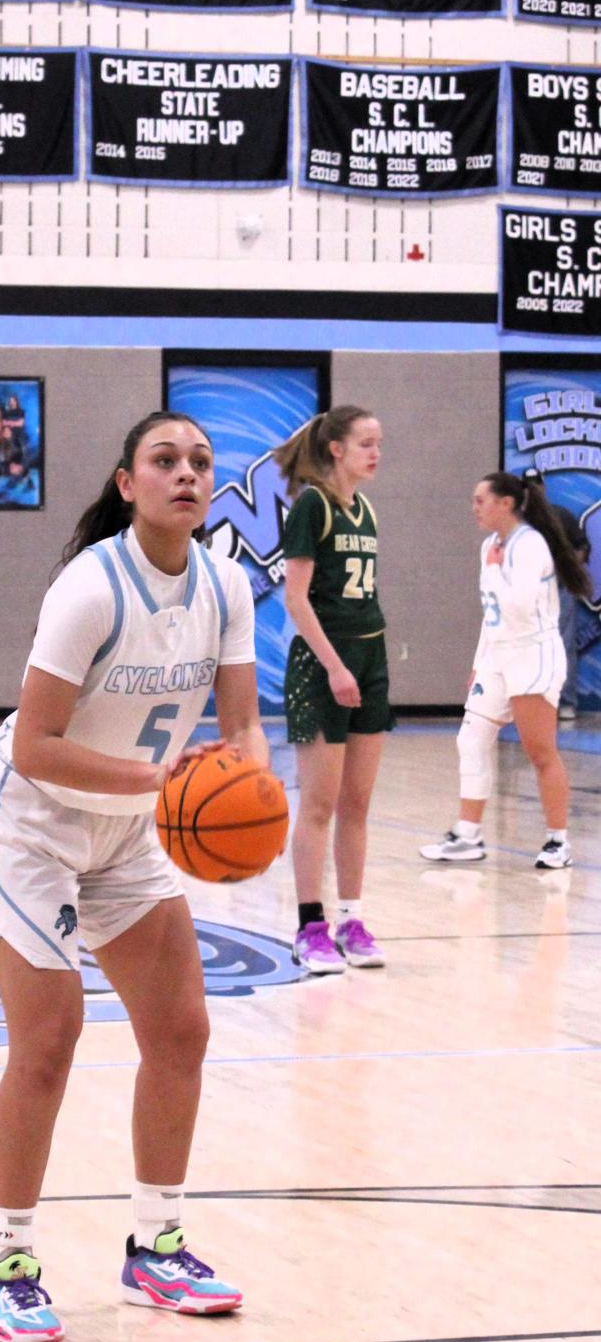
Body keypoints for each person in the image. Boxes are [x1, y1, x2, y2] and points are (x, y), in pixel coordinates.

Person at [0, 410, 267, 1342]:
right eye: (164, 460)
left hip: (130, 831)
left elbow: (245, 727)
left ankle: (156, 1247)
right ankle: (5, 1260)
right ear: (128, 483)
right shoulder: (89, 589)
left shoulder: (225, 588)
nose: (186, 473)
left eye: (200, 462)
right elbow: (33, 742)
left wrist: (244, 789)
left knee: (182, 1031)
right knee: (48, 1043)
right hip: (32, 824)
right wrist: (159, 783)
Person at [419, 471, 591, 871]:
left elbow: (518, 604)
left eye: (481, 500)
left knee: (540, 752)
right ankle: (467, 834)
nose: (474, 507)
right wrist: (480, 661)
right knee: (470, 739)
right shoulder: (490, 546)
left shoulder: (531, 546)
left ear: (506, 504)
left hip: (533, 655)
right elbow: (492, 613)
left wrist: (496, 571)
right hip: (499, 656)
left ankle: (558, 841)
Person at [275, 406, 391, 975]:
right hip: (324, 665)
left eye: (379, 443)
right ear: (337, 449)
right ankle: (310, 926)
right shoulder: (312, 506)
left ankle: (352, 918)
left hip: (370, 657)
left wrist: (362, 666)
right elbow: (296, 599)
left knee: (358, 803)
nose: (376, 452)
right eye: (366, 442)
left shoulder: (364, 509)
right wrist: (336, 667)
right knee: (319, 803)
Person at [520, 467, 590, 722]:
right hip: (527, 592)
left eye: (536, 485)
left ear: (543, 487)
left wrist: (568, 568)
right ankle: (529, 703)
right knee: (525, 646)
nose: (533, 491)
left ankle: (566, 701)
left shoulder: (561, 515)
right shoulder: (519, 522)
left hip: (559, 589)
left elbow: (582, 547)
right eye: (528, 487)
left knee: (563, 644)